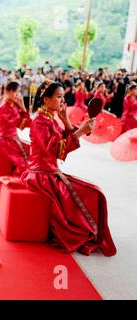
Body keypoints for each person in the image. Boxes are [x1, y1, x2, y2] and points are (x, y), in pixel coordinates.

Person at [22, 80, 117, 257]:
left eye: (62, 97)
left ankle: (89, 229)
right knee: (93, 193)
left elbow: (64, 137)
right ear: (46, 99)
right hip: (41, 176)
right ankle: (84, 231)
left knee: (95, 192)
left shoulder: (50, 117)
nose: (61, 101)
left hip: (51, 172)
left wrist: (65, 117)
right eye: (58, 97)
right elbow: (56, 149)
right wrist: (80, 131)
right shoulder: (39, 122)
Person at [0, 81, 31, 176]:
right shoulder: (5, 106)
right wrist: (22, 107)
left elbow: (23, 125)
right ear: (9, 92)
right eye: (17, 92)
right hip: (6, 141)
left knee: (32, 153)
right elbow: (20, 124)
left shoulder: (12, 104)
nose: (18, 95)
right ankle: (15, 183)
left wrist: (22, 107)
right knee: (26, 165)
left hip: (13, 139)